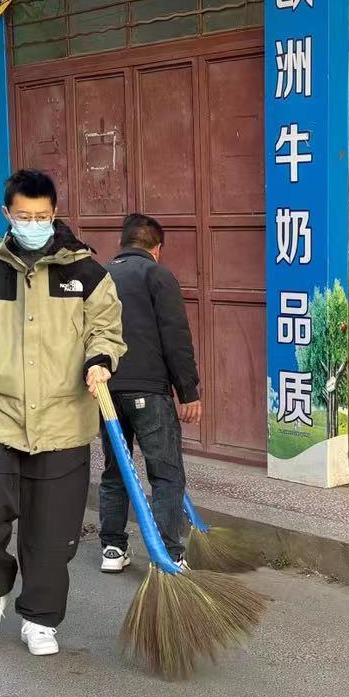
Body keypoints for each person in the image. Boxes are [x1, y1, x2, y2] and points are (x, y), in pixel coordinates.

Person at [0, 169, 125, 655]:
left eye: (42, 216)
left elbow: (107, 331)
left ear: (55, 214)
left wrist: (100, 360)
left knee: (53, 535)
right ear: (7, 215)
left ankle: (39, 619)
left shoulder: (87, 274)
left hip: (63, 423)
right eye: (24, 216)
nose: (34, 223)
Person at [97, 213, 200, 572]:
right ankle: (168, 554)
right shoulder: (157, 275)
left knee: (116, 470)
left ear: (122, 243)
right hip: (150, 392)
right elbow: (175, 336)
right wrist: (188, 391)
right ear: (157, 248)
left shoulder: (101, 277)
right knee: (166, 473)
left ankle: (112, 549)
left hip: (107, 390)